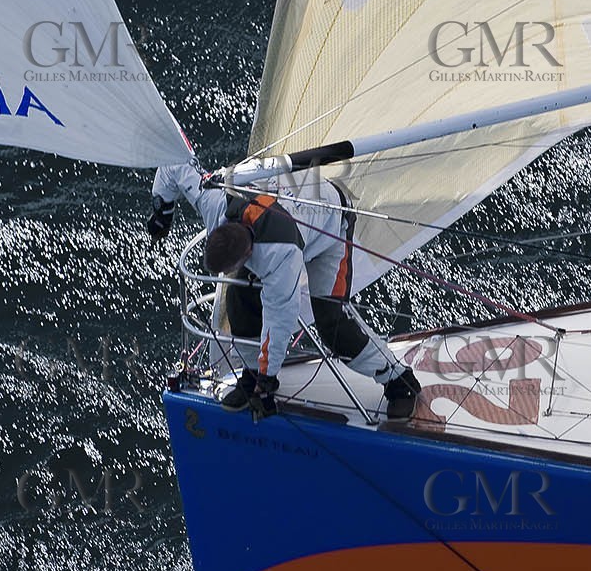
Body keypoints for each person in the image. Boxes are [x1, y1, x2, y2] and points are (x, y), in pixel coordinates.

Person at [148, 161, 421, 420]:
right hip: (293, 205)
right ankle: (251, 374)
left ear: (247, 255)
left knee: (333, 325)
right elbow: (175, 166)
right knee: (240, 300)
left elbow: (279, 323)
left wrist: (268, 384)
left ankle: (399, 380)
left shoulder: (281, 255)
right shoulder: (216, 204)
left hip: (331, 226)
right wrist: (163, 210)